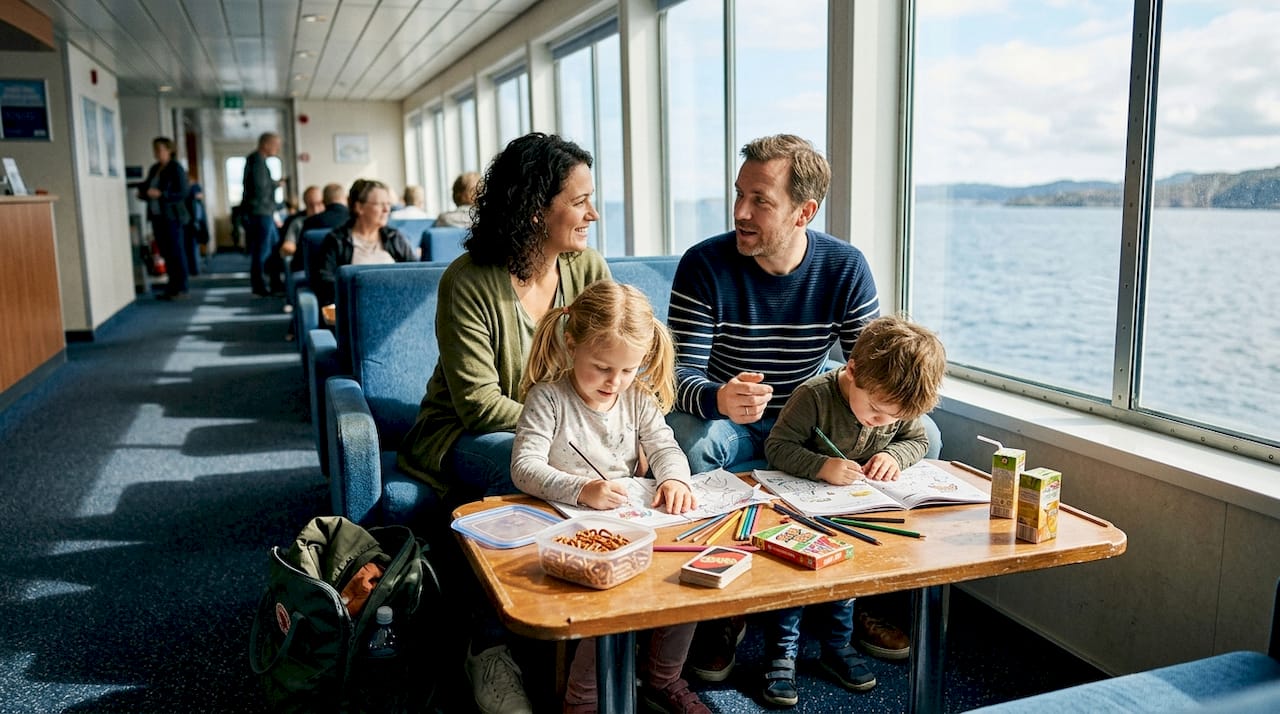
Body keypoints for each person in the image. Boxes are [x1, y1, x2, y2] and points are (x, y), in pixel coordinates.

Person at [667, 134, 935, 678]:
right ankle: (723, 608)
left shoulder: (845, 267)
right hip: (732, 425)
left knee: (928, 432)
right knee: (688, 440)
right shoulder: (704, 264)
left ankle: (853, 589)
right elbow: (673, 378)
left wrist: (896, 441)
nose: (740, 211)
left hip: (818, 422)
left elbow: (873, 373)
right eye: (739, 194)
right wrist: (718, 397)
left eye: (760, 200)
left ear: (804, 211)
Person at [396, 133, 609, 714]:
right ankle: (486, 646)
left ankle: (592, 633)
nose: (594, 213)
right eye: (582, 200)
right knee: (517, 465)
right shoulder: (468, 280)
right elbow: (478, 405)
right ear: (537, 209)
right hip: (464, 436)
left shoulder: (587, 267)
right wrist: (572, 436)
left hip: (555, 430)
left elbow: (615, 357)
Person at [511, 279, 708, 714]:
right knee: (608, 594)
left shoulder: (636, 397)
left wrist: (675, 479)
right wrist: (582, 488)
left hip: (629, 519)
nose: (614, 381)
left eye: (627, 369)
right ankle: (582, 699)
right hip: (571, 525)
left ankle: (664, 678)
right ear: (570, 342)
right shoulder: (549, 398)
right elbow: (524, 467)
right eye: (602, 367)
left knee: (686, 573)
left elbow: (665, 446)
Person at [759, 315, 946, 707]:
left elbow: (917, 440)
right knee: (795, 578)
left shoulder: (897, 404)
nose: (883, 421)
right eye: (876, 411)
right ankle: (781, 656)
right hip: (804, 506)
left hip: (858, 506)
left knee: (847, 579)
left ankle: (837, 646)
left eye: (892, 418)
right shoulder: (814, 396)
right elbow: (777, 447)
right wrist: (821, 466)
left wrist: (893, 454)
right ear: (852, 369)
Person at [313, 179, 415, 310]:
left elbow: (415, 274)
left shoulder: (395, 238)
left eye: (388, 204)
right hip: (355, 309)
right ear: (359, 207)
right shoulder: (336, 240)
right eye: (380, 204)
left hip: (397, 307)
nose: (387, 210)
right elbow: (325, 283)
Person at [138, 137, 190, 300]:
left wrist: (162, 194)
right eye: (155, 149)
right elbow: (148, 187)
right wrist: (143, 193)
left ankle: (181, 288)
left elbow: (183, 192)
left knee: (176, 251)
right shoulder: (155, 168)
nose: (157, 153)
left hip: (172, 216)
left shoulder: (176, 168)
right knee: (165, 252)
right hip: (157, 216)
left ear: (169, 150)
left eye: (160, 149)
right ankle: (172, 287)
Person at [242, 132, 284, 296]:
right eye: (275, 145)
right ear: (266, 144)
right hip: (261, 213)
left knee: (273, 249)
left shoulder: (257, 160)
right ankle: (259, 286)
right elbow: (260, 188)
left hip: (263, 212)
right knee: (263, 250)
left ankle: (275, 283)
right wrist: (275, 186)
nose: (277, 148)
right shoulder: (257, 161)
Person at [185, 175, 209, 276]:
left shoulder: (193, 189)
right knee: (191, 247)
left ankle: (195, 269)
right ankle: (193, 268)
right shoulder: (189, 192)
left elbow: (198, 195)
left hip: (194, 222)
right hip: (190, 222)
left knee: (193, 246)